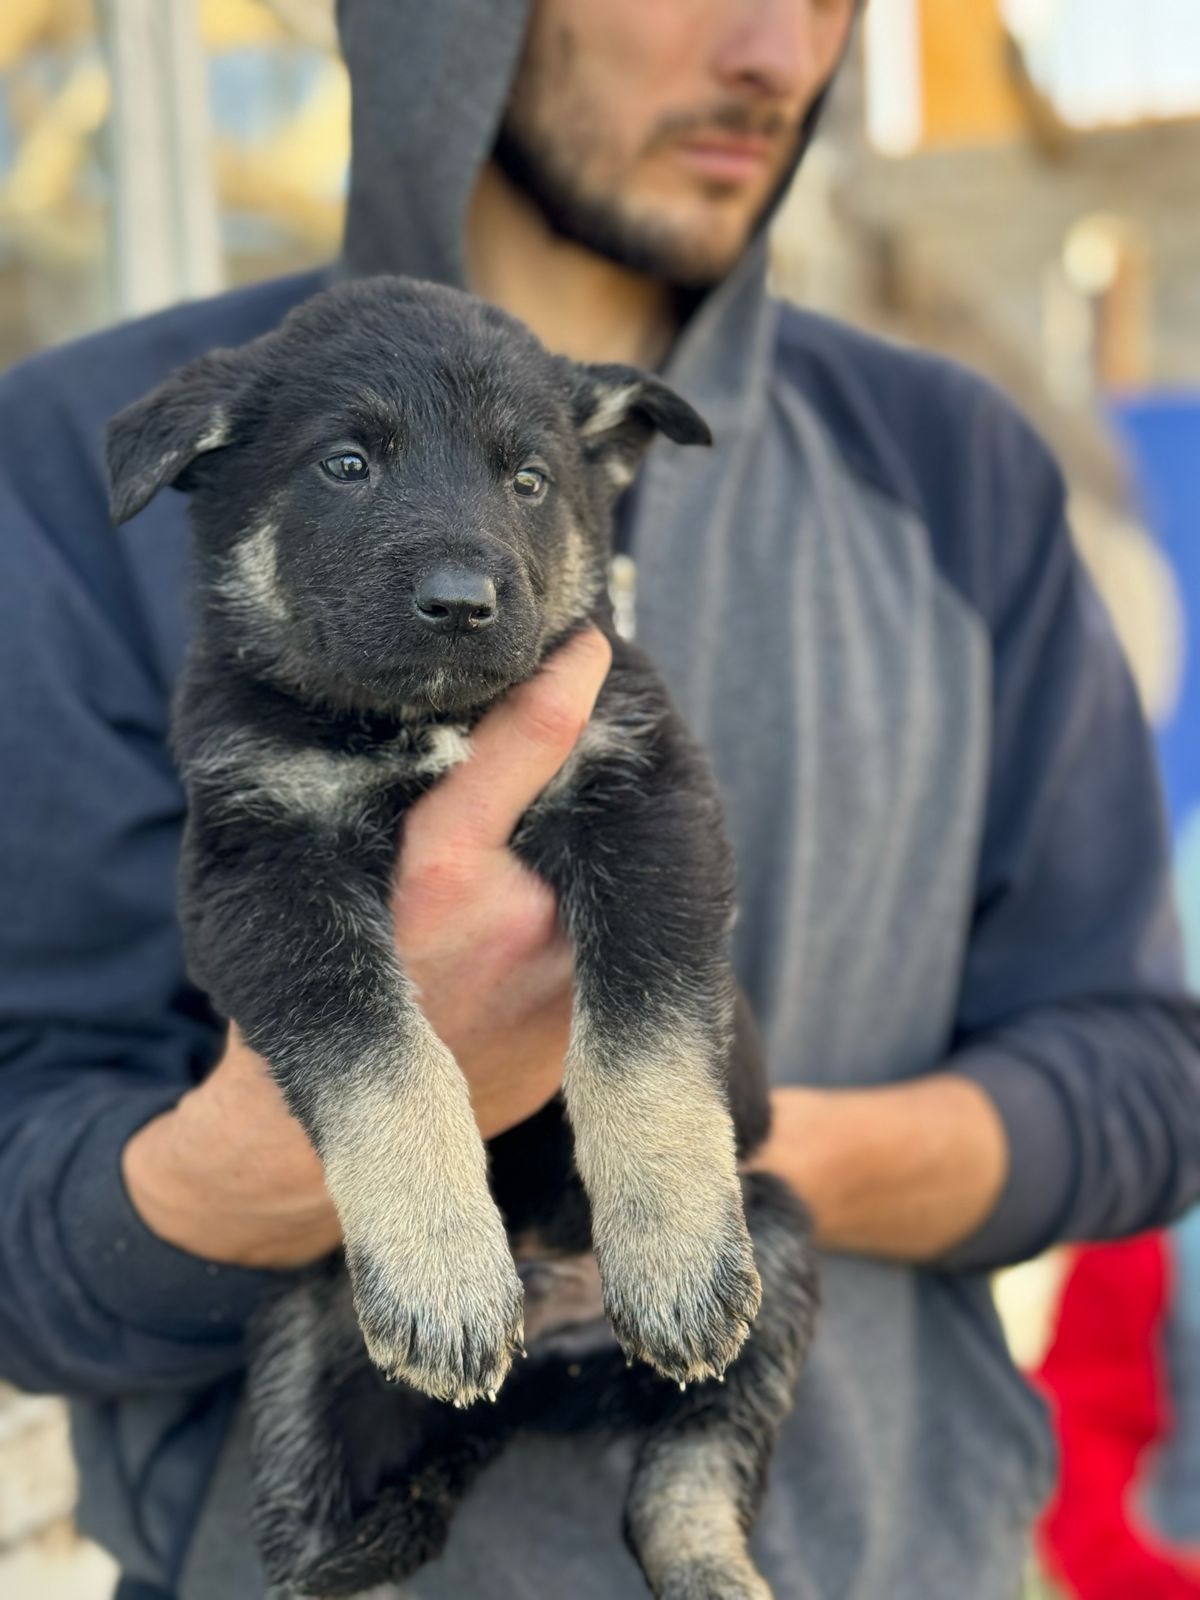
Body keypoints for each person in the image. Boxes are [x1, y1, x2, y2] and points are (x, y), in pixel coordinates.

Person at [1, 2, 1198, 1596]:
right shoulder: (107, 456)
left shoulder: (955, 466)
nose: (781, 50)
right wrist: (325, 1151)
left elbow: (1145, 1080)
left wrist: (689, 1152)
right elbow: (23, 1218)